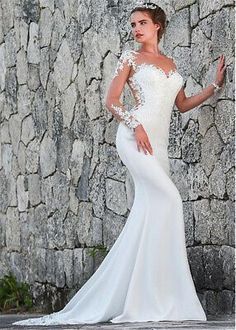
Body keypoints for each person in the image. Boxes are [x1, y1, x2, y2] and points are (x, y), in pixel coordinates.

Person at [12, 2, 226, 326]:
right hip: (133, 138)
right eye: (133, 24)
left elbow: (181, 105)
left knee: (152, 213)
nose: (135, 29)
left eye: (142, 23)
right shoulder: (129, 57)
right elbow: (111, 101)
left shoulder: (170, 63)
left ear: (157, 26)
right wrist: (135, 125)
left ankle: (153, 297)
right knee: (171, 200)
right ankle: (152, 298)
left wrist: (214, 86)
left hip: (159, 148)